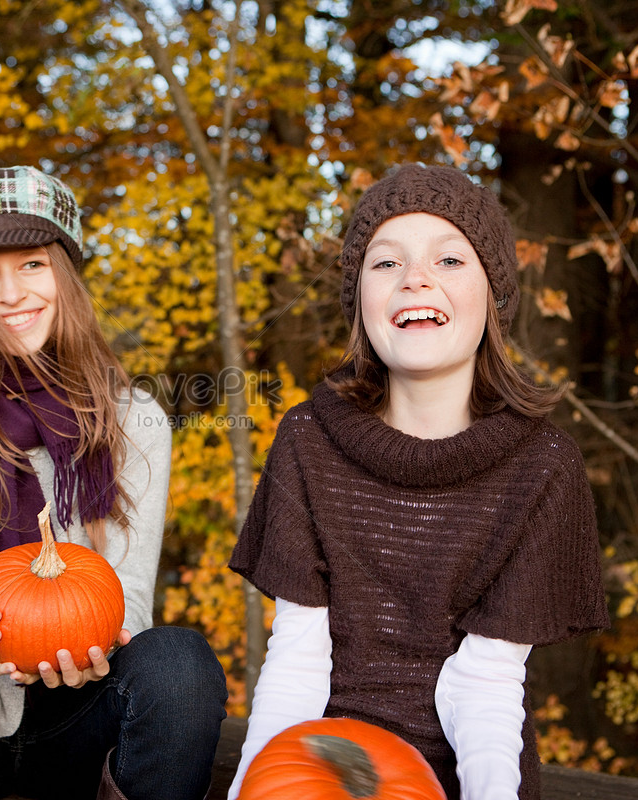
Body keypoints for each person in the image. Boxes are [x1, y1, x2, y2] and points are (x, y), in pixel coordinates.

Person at [226, 164, 609, 800]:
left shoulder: (545, 467)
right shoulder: (307, 440)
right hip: (324, 762)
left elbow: (483, 682)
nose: (416, 279)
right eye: (386, 263)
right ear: (360, 302)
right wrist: (253, 786)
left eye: (450, 259)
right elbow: (298, 656)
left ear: (494, 296)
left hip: (463, 766)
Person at [0, 166, 227, 800]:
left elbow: (128, 595)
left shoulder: (134, 419)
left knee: (180, 664)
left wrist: (94, 643)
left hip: (83, 716)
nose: (10, 293)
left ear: (65, 271)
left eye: (31, 264)